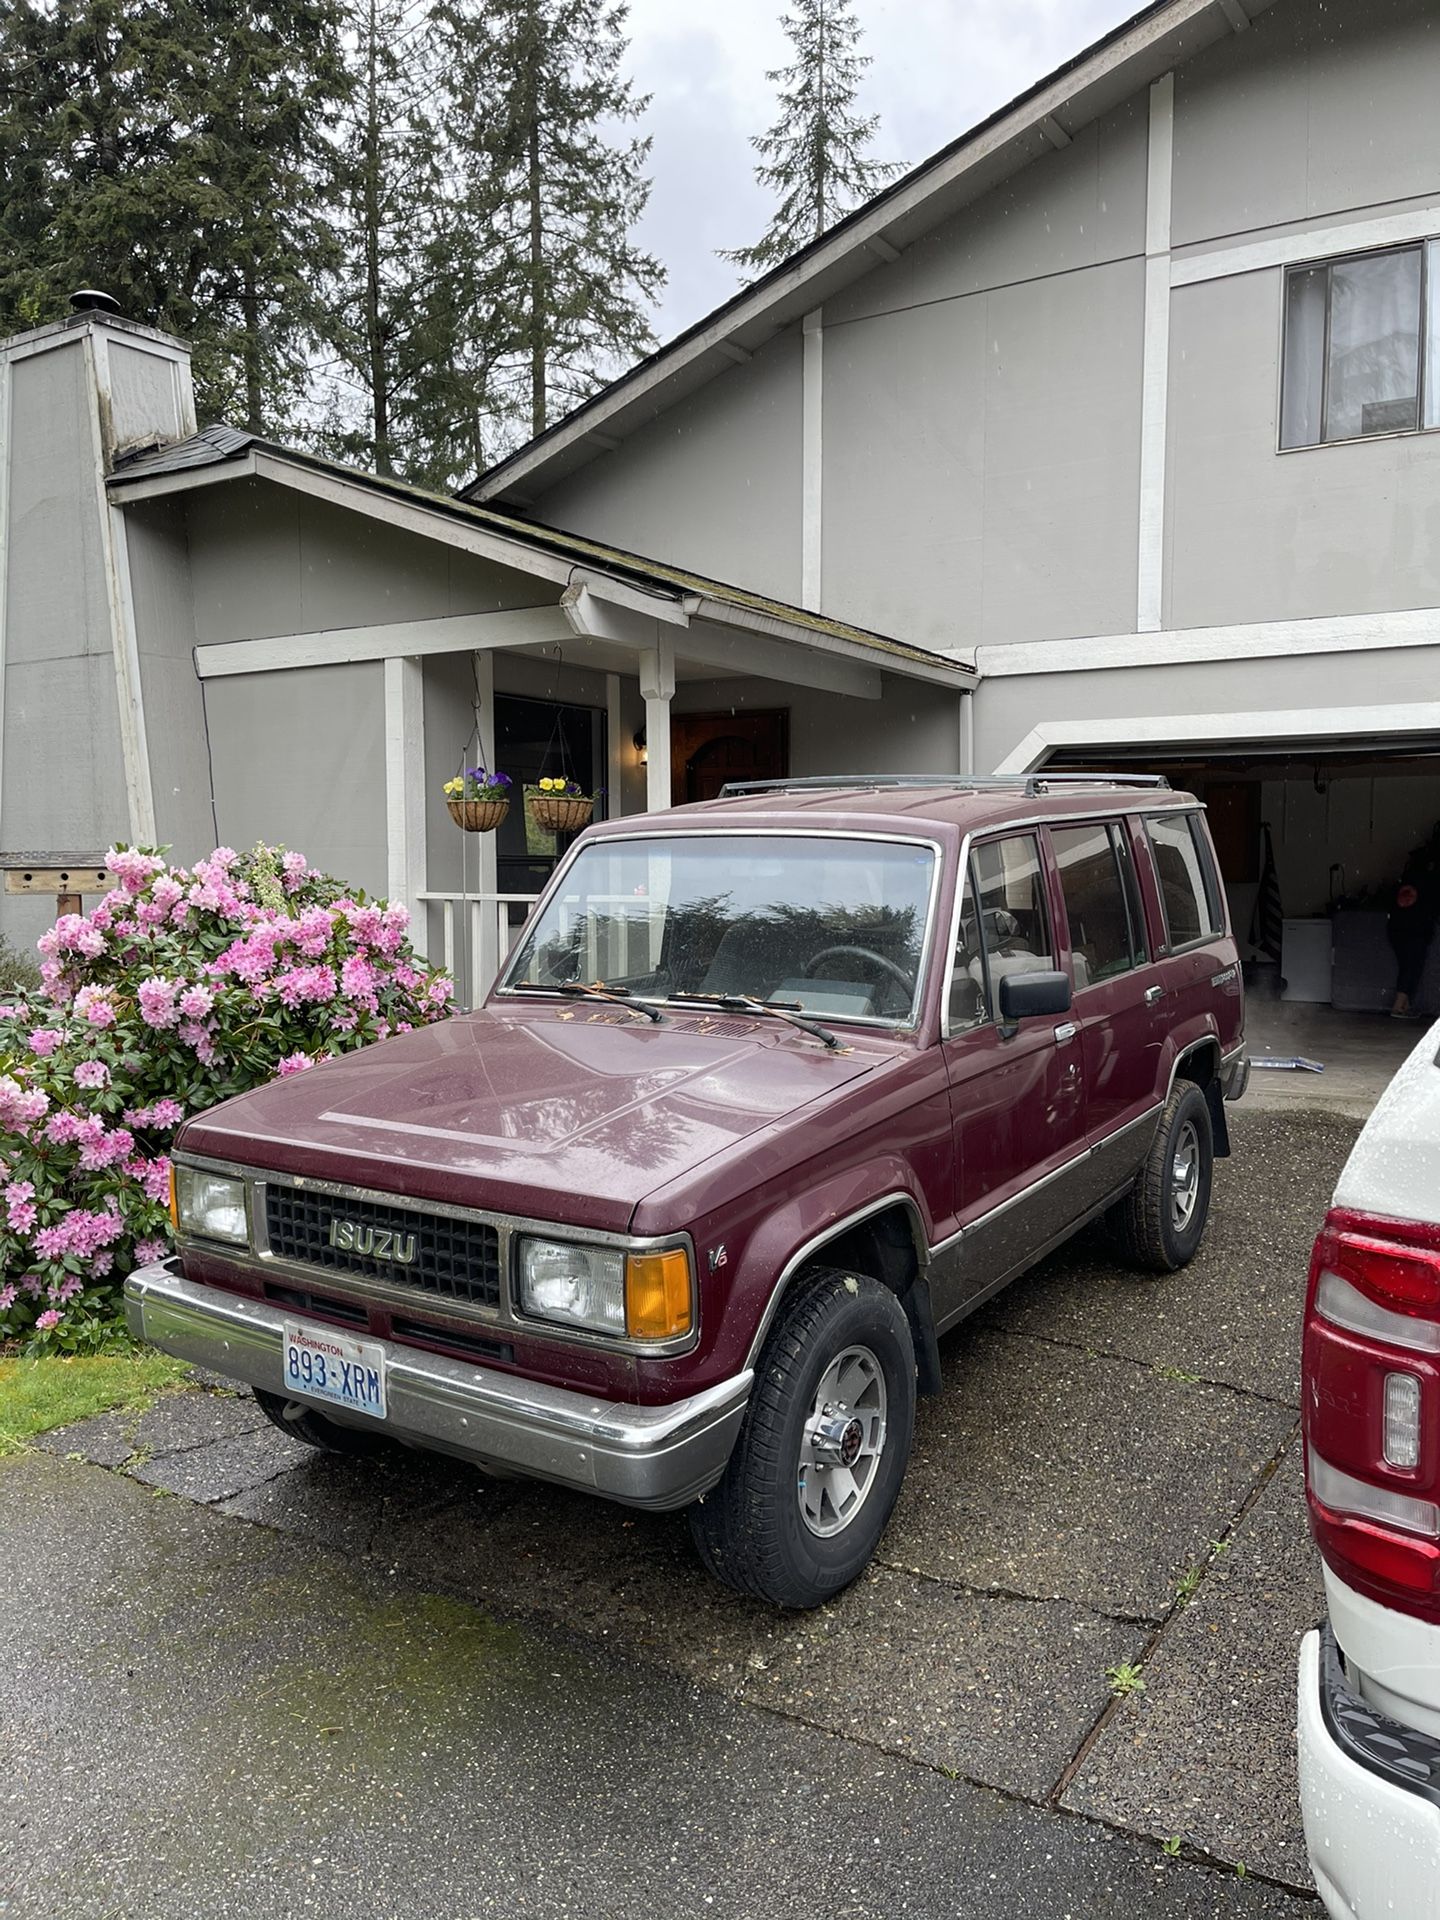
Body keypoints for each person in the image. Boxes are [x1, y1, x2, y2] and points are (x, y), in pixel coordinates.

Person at [1388, 824, 1440, 1018]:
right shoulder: (1431, 877)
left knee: (1407, 965)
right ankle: (1398, 1007)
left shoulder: (1412, 872)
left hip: (1398, 927)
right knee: (1413, 966)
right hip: (1415, 928)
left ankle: (1404, 1006)